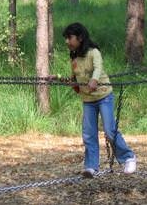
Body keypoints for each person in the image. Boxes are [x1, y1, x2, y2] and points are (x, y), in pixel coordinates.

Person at [51, 23, 136, 178]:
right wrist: (57, 78)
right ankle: (91, 166)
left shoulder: (93, 52)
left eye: (69, 38)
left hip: (104, 97)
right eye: (66, 38)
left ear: (80, 38)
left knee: (110, 130)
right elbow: (74, 80)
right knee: (89, 134)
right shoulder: (74, 57)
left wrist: (94, 80)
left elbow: (97, 68)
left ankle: (128, 158)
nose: (66, 42)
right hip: (88, 100)